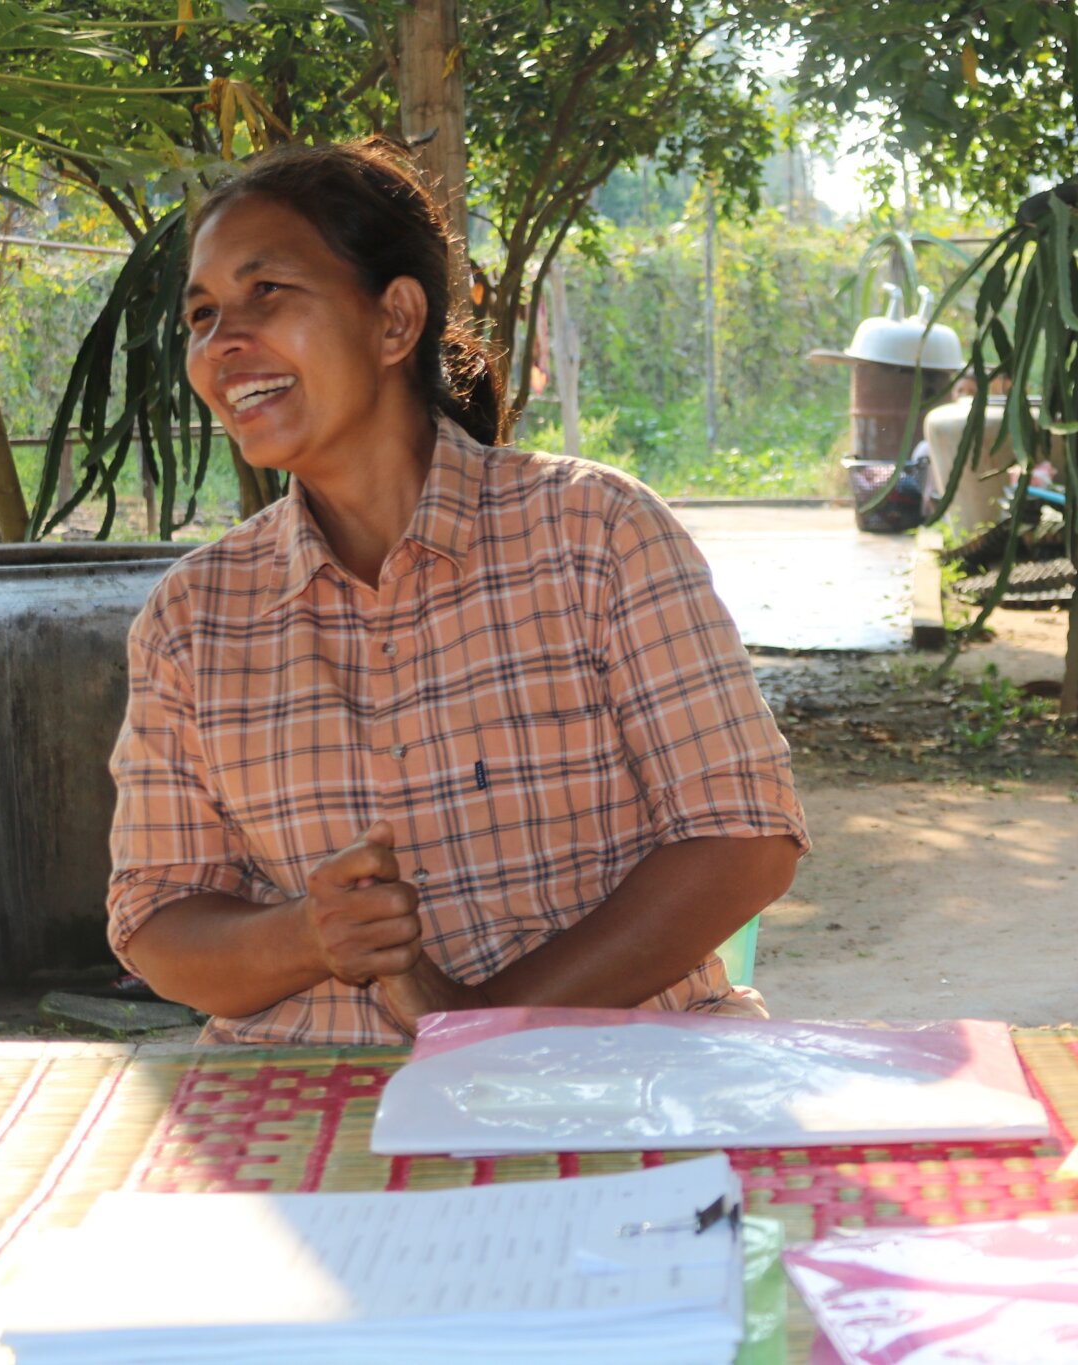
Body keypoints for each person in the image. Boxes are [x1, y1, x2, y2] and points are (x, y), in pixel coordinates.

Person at [107, 138, 807, 1044]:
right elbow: (157, 922)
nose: (222, 343)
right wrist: (311, 934)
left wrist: (477, 1024)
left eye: (265, 291)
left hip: (623, 1082)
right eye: (202, 314)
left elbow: (744, 840)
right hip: (310, 1101)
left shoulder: (594, 532)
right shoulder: (192, 619)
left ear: (396, 320)